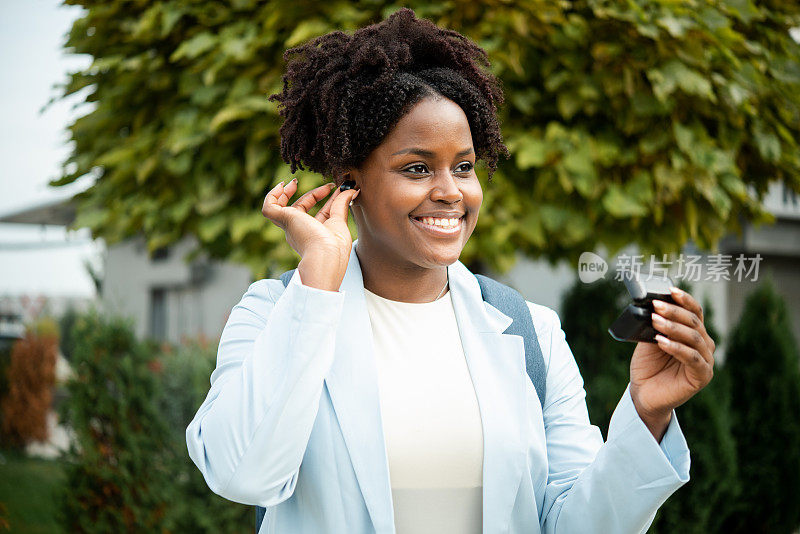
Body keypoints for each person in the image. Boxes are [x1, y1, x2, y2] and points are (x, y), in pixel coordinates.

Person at [186, 8, 716, 534]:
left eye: (463, 166)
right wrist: (320, 270)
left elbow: (575, 526)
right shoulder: (276, 311)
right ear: (352, 183)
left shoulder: (531, 331)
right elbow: (242, 475)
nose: (450, 191)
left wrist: (646, 416)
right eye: (417, 168)